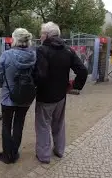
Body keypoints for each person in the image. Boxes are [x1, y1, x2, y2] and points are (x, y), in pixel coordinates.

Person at [34, 22, 88, 164]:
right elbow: (83, 71)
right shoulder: (68, 50)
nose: (40, 36)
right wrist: (74, 85)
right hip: (61, 96)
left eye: (41, 33)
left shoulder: (42, 50)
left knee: (43, 125)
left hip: (45, 97)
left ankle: (44, 156)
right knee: (59, 124)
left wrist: (34, 86)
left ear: (46, 35)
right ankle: (59, 150)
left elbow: (41, 75)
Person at [0, 28, 36, 164]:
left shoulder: (7, 55)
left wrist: (4, 86)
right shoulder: (33, 55)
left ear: (15, 39)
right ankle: (14, 152)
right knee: (19, 124)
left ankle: (7, 155)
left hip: (8, 97)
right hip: (26, 96)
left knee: (6, 125)